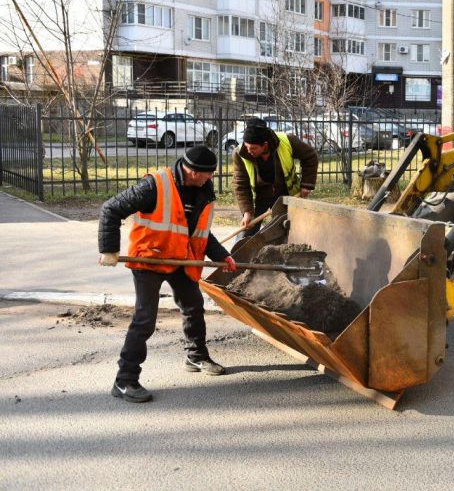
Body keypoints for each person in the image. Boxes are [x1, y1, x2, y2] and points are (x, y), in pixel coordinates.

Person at [98, 146, 238, 403]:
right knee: (145, 318)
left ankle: (195, 356)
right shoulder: (154, 185)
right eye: (207, 175)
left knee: (194, 306)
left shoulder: (204, 190)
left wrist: (222, 256)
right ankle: (125, 380)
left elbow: (201, 231)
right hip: (149, 259)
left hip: (180, 258)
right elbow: (111, 209)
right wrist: (109, 249)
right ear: (192, 171)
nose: (211, 179)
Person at [232, 117, 318, 236]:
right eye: (246, 146)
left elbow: (310, 156)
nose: (249, 151)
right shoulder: (240, 153)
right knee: (246, 231)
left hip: (284, 194)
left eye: (253, 148)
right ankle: (236, 253)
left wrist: (306, 185)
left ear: (265, 145)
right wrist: (247, 211)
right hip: (259, 196)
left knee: (286, 231)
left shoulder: (287, 141)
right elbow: (241, 184)